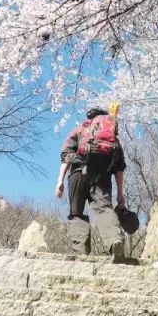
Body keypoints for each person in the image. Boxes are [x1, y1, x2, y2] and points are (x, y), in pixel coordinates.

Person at [55, 106, 128, 262]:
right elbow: (120, 167)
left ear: (89, 118)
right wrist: (120, 194)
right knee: (104, 209)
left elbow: (65, 156)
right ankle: (114, 240)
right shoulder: (112, 138)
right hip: (101, 176)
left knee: (77, 213)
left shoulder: (79, 131)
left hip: (77, 174)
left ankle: (81, 252)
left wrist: (60, 181)